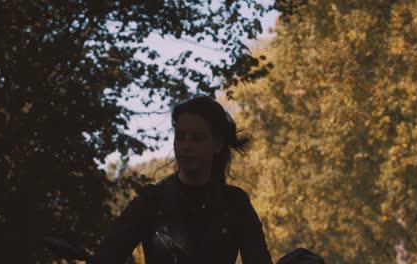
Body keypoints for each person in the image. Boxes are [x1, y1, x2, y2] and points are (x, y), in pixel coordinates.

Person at [91, 96, 324, 264]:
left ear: (217, 144)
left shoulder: (236, 203)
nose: (185, 146)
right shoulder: (151, 202)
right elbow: (106, 257)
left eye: (197, 138)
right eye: (180, 137)